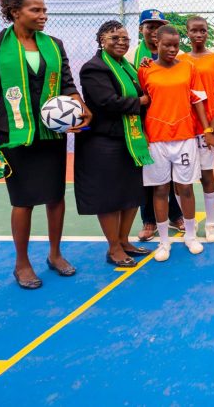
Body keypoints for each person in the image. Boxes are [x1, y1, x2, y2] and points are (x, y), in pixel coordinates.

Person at [0, 0, 91, 289]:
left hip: (51, 134)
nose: (43, 15)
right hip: (15, 135)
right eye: (36, 10)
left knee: (55, 196)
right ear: (16, 12)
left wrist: (80, 106)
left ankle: (55, 254)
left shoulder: (54, 45)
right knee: (23, 201)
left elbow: (66, 82)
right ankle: (22, 263)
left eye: (44, 10)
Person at [75, 21, 152, 267]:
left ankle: (124, 240)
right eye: (114, 38)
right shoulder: (93, 68)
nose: (121, 42)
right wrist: (140, 101)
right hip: (103, 141)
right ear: (102, 40)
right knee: (109, 197)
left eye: (125, 38)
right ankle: (113, 248)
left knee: (132, 193)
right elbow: (107, 101)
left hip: (131, 140)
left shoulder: (127, 67)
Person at [138, 25, 214, 262]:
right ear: (156, 44)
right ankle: (164, 241)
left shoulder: (188, 67)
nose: (172, 49)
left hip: (184, 137)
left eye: (176, 45)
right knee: (160, 189)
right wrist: (142, 133)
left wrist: (207, 129)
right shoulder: (145, 70)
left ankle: (190, 236)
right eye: (167, 45)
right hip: (157, 139)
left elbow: (197, 101)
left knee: (185, 187)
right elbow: (141, 104)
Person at [127, 9, 185, 241]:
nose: (153, 30)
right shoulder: (132, 54)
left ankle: (175, 214)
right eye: (149, 26)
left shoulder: (179, 55)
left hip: (171, 122)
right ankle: (148, 220)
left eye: (157, 26)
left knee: (171, 176)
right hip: (141, 120)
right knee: (149, 175)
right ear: (141, 28)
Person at [178, 16, 214, 242]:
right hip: (184, 127)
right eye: (194, 31)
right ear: (187, 33)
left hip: (207, 127)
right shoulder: (179, 59)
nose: (199, 34)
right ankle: (188, 220)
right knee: (182, 180)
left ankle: (210, 223)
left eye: (203, 30)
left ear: (207, 32)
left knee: (207, 174)